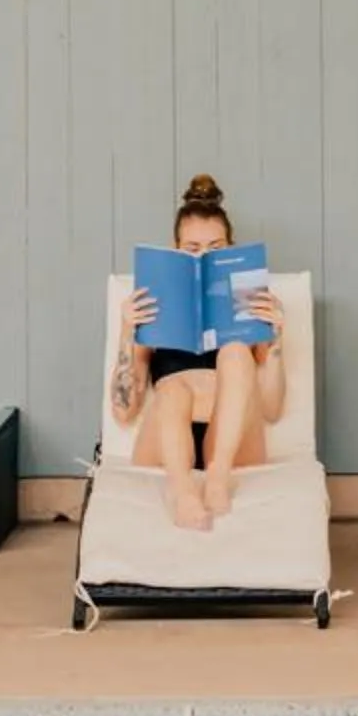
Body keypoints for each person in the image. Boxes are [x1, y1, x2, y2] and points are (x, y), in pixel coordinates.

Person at [110, 174, 287, 532]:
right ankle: (183, 493)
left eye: (216, 247)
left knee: (237, 351)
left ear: (231, 249)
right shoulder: (152, 306)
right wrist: (127, 331)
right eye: (192, 249)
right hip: (168, 442)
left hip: (234, 445)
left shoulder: (252, 304)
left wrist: (277, 337)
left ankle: (217, 476)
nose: (204, 255)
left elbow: (270, 407)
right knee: (173, 388)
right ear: (176, 249)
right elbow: (124, 411)